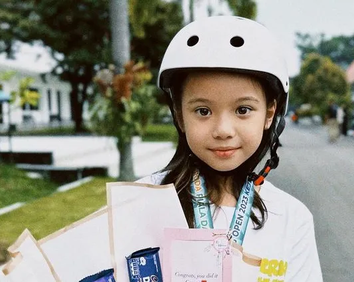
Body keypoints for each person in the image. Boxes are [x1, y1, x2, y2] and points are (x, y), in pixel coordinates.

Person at [137, 16, 322, 281]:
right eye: (203, 111)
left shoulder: (293, 219)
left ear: (270, 113)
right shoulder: (140, 204)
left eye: (243, 110)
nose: (223, 129)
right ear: (179, 115)